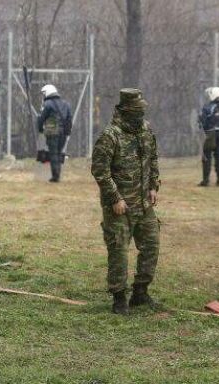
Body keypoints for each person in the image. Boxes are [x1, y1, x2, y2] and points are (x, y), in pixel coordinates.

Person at [91, 89, 161, 315]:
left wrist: (153, 186)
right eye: (137, 111)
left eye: (142, 111)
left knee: (151, 245)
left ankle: (140, 292)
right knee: (119, 251)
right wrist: (115, 198)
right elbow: (100, 170)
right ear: (127, 111)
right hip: (119, 207)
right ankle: (119, 297)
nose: (141, 115)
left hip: (144, 203)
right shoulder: (110, 136)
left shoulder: (146, 131)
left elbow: (153, 159)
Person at [37, 84, 72, 183]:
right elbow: (69, 119)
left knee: (53, 153)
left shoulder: (47, 104)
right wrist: (67, 132)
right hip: (63, 132)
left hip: (52, 131)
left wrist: (40, 128)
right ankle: (57, 174)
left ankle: (55, 176)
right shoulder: (66, 104)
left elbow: (42, 118)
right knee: (59, 153)